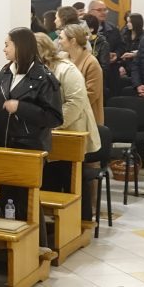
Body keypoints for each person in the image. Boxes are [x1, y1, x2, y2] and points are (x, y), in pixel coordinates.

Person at [0, 28, 62, 224]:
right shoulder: (5, 72)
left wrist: (21, 107)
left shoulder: (44, 78)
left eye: (7, 45)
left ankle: (35, 240)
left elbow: (54, 117)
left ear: (20, 46)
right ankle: (9, 239)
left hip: (28, 149)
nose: (4, 49)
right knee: (7, 198)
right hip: (4, 145)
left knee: (26, 202)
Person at [36, 33, 101, 215]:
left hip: (71, 131)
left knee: (72, 181)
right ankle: (53, 221)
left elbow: (75, 102)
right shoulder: (35, 69)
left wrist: (53, 123)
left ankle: (81, 221)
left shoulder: (66, 69)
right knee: (50, 179)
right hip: (50, 136)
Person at [58, 24, 105, 125]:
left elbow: (92, 94)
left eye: (61, 38)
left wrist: (70, 105)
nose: (59, 42)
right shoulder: (62, 59)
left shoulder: (92, 63)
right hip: (67, 113)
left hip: (86, 119)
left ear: (73, 41)